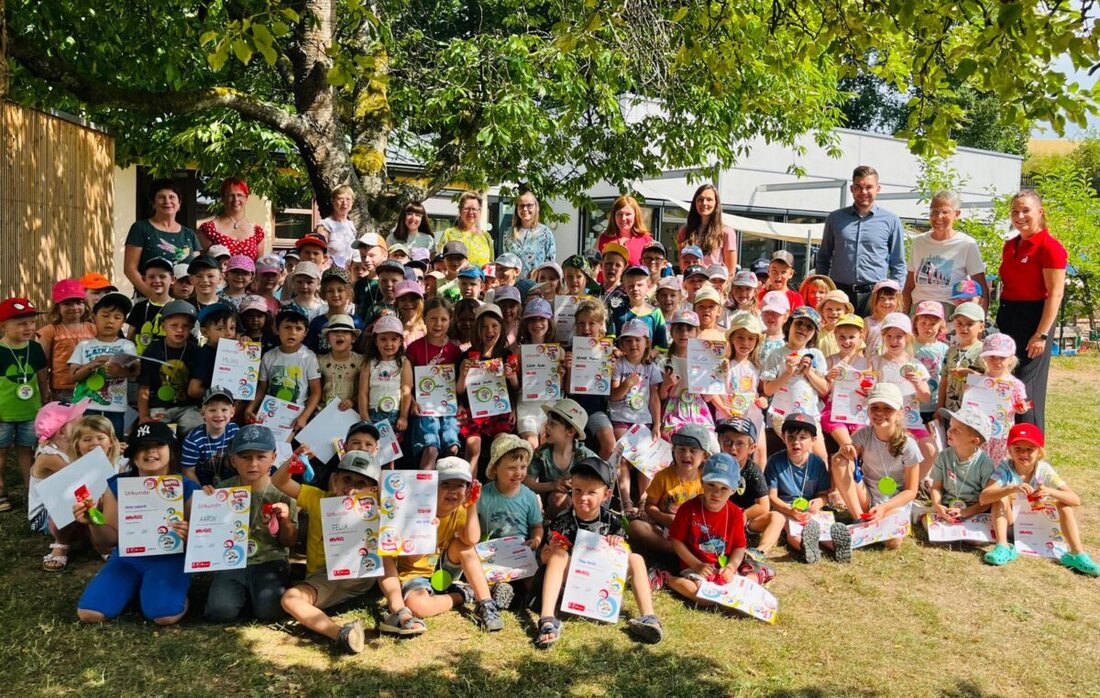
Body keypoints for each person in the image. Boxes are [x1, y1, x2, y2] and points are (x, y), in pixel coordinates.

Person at [534, 456, 664, 648]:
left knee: (636, 558)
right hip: (571, 582)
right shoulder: (562, 521)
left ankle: (649, 617)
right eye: (577, 490)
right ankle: (547, 619)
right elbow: (543, 558)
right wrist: (551, 551)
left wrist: (621, 547)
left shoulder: (613, 522)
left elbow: (625, 558)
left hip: (604, 581)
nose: (582, 497)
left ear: (606, 495)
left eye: (591, 492)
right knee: (559, 555)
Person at [75, 421, 196, 625]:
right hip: (127, 557)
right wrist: (93, 522)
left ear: (171, 450)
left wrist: (190, 534)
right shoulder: (117, 485)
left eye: (158, 445)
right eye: (142, 447)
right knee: (89, 613)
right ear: (132, 454)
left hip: (169, 557)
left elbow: (201, 541)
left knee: (165, 615)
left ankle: (169, 592)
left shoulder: (186, 487)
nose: (151, 452)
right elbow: (108, 541)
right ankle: (138, 587)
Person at [276, 448, 393, 652]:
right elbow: (279, 482)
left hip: (361, 575)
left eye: (361, 483)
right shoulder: (317, 498)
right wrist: (293, 461)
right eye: (347, 479)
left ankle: (398, 610)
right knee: (290, 599)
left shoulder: (377, 510)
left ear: (373, 489)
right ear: (334, 479)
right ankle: (343, 634)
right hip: (323, 578)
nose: (351, 488)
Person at [385, 456, 505, 632]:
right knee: (417, 605)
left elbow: (472, 539)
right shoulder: (416, 511)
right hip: (415, 574)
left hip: (444, 568)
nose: (453, 491)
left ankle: (486, 603)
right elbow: (412, 559)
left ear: (467, 489)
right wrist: (427, 533)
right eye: (445, 484)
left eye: (460, 485)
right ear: (432, 487)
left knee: (464, 546)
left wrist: (472, 505)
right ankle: (464, 594)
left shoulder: (460, 510)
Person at [204, 425, 298, 622]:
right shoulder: (223, 490)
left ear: (273, 457)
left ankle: (255, 595)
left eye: (261, 457)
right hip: (231, 560)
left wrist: (286, 522)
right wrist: (206, 502)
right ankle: (240, 595)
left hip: (270, 559)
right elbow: (211, 533)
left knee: (270, 611)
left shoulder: (284, 492)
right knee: (220, 611)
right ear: (233, 460)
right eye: (245, 457)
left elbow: (289, 542)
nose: (253, 464)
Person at [979, 424, 1099, 575]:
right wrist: (1011, 489)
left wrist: (1050, 491)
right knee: (1000, 498)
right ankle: (1002, 546)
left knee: (1065, 505)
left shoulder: (1044, 470)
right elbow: (984, 497)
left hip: (1040, 526)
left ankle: (1077, 553)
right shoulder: (1005, 468)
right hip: (1011, 524)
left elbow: (1075, 500)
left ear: (1039, 452)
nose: (1024, 453)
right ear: (1009, 450)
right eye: (1018, 448)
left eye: (1030, 449)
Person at [996, 190, 1066, 431]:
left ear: (1040, 212)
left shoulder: (1050, 247)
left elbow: (1055, 294)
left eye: (1026, 210)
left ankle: (1030, 443)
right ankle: (1010, 441)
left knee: (1027, 386)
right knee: (1009, 380)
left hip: (1035, 319)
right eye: (1015, 211)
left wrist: (1041, 334)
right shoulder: (1010, 245)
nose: (1019, 216)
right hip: (1009, 315)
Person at [832, 384, 921, 551]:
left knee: (893, 542)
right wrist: (846, 449)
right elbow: (847, 457)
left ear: (899, 413)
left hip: (893, 502)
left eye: (887, 408)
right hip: (867, 496)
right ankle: (859, 519)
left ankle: (874, 526)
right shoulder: (863, 435)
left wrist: (885, 508)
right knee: (838, 460)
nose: (880, 413)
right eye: (874, 407)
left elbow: (911, 491)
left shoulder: (909, 445)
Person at [815, 165, 907, 315]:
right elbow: (823, 257)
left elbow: (898, 263)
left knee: (873, 331)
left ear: (878, 189)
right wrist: (825, 287)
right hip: (840, 294)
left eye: (869, 187)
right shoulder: (835, 218)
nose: (863, 192)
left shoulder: (891, 221)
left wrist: (893, 293)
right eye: (858, 187)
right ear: (852, 189)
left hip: (875, 295)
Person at [665, 453, 748, 604]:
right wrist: (697, 565)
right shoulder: (688, 509)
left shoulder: (736, 513)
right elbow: (677, 541)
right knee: (705, 598)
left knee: (735, 596)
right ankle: (667, 578)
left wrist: (731, 567)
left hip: (722, 568)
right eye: (711, 485)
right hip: (694, 565)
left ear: (733, 490)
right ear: (702, 481)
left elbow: (739, 546)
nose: (716, 493)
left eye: (724, 488)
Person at [766, 413, 848, 563]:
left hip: (810, 510)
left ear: (813, 441)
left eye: (803, 438)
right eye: (791, 437)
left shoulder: (817, 463)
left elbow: (823, 494)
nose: (796, 443)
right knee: (793, 533)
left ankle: (838, 546)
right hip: (786, 508)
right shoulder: (774, 462)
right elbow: (772, 497)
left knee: (823, 529)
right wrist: (789, 510)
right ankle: (807, 548)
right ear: (783, 437)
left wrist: (819, 502)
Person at [477, 434, 544, 608]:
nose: (519, 473)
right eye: (512, 468)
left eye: (523, 467)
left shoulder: (528, 496)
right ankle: (500, 591)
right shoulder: (484, 495)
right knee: (483, 576)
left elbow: (537, 526)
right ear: (495, 468)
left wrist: (536, 540)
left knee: (531, 578)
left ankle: (532, 599)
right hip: (491, 550)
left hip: (520, 550)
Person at [627, 423, 708, 560]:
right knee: (636, 527)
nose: (686, 455)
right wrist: (665, 518)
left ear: (704, 456)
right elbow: (649, 506)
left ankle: (682, 552)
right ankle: (676, 552)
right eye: (681, 449)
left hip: (692, 530)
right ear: (674, 450)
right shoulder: (663, 476)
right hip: (664, 528)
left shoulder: (706, 481)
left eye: (693, 451)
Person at [902, 190, 988, 313]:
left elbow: (980, 286)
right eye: (934, 211)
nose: (939, 217)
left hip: (950, 309)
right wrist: (904, 316)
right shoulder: (918, 242)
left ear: (956, 214)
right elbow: (909, 285)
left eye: (945, 212)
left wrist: (979, 318)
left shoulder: (967, 244)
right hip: (920, 309)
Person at [30, 400, 91, 571]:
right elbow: (81, 477)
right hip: (43, 516)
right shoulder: (49, 456)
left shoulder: (71, 448)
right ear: (62, 431)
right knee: (72, 497)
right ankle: (61, 544)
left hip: (66, 504)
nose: (85, 423)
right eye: (79, 421)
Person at [0, 297, 48, 512]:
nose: (29, 327)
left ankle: (32, 490)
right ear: (4, 326)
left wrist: (45, 400)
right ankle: (0, 491)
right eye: (21, 323)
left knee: (26, 450)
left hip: (30, 412)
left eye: (31, 322)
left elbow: (42, 377)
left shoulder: (35, 349)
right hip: (2, 414)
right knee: (1, 451)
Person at [69, 293, 139, 437]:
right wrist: (91, 365)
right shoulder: (83, 345)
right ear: (94, 317)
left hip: (115, 408)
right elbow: (72, 376)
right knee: (86, 440)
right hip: (85, 407)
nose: (110, 321)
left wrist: (121, 371)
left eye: (117, 317)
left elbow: (136, 371)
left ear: (123, 322)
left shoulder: (127, 345)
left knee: (114, 443)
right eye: (105, 315)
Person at [717, 417, 785, 557]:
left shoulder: (753, 470)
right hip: (718, 518)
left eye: (739, 443)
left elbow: (764, 506)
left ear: (752, 448)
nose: (732, 447)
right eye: (727, 441)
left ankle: (758, 552)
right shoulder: (714, 466)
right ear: (720, 441)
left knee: (778, 517)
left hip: (745, 520)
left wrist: (743, 515)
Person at [247, 305, 322, 431]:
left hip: (295, 417)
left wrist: (304, 417)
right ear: (277, 329)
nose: (292, 332)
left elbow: (316, 392)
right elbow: (262, 389)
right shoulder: (268, 356)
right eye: (287, 327)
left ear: (305, 333)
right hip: (270, 414)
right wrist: (250, 408)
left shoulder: (309, 357)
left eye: (298, 328)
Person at [124, 179, 201, 297]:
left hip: (184, 302)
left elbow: (198, 271)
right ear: (153, 203)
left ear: (179, 203)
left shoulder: (189, 234)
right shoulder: (141, 228)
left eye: (172, 197)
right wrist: (154, 296)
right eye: (161, 197)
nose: (167, 201)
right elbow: (130, 269)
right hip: (150, 299)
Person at [926, 405, 995, 532]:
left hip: (974, 511)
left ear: (974, 441)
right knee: (928, 524)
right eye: (950, 426)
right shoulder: (944, 456)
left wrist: (965, 512)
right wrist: (938, 505)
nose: (949, 431)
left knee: (977, 538)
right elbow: (936, 487)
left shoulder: (985, 463)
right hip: (947, 508)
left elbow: (987, 500)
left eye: (956, 430)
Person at [526, 399, 596, 519]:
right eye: (547, 422)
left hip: (581, 503)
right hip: (553, 505)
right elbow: (527, 483)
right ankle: (555, 527)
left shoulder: (584, 455)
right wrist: (552, 485)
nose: (547, 427)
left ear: (571, 431)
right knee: (557, 498)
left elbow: (605, 474)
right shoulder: (541, 454)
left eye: (553, 424)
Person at [137, 300, 201, 431]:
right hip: (158, 406)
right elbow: (144, 387)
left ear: (191, 328)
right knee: (155, 429)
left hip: (187, 407)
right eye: (174, 325)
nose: (180, 330)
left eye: (185, 326)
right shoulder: (152, 350)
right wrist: (143, 415)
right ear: (163, 326)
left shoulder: (196, 351)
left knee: (197, 426)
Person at [181, 387, 241, 487]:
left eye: (224, 410)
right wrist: (201, 491)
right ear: (202, 413)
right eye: (212, 410)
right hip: (203, 486)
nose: (219, 414)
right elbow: (188, 471)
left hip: (230, 485)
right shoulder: (192, 440)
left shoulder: (235, 431)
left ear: (232, 412)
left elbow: (241, 460)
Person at [676, 183, 738, 275]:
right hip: (690, 280)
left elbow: (731, 272)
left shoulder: (727, 232)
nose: (704, 203)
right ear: (695, 203)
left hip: (714, 282)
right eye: (700, 199)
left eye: (709, 199)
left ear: (716, 203)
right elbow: (682, 264)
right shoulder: (684, 231)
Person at [197, 177, 266, 259]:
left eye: (240, 195)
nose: (236, 199)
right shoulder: (208, 229)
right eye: (230, 195)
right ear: (223, 198)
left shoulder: (257, 232)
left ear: (246, 198)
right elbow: (204, 263)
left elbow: (259, 265)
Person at [126, 258, 173, 356]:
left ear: (172, 280)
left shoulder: (177, 307)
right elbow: (130, 338)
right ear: (144, 279)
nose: (157, 280)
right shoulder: (139, 307)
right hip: (142, 361)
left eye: (162, 276)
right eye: (151, 277)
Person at [437, 191, 494, 267]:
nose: (470, 212)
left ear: (479, 212)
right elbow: (441, 262)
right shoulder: (449, 234)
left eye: (474, 209)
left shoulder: (486, 236)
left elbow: (491, 264)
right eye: (466, 208)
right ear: (460, 211)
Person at [503, 191, 556, 272]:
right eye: (521, 205)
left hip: (537, 280)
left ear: (536, 207)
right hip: (515, 280)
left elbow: (550, 264)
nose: (525, 209)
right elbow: (506, 262)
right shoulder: (508, 233)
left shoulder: (545, 233)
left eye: (529, 205)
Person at [596, 195, 654, 266]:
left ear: (635, 216)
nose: (623, 218)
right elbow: (594, 266)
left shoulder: (646, 240)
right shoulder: (603, 238)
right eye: (619, 214)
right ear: (614, 216)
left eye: (628, 214)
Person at [318, 185, 357, 267]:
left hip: (349, 272)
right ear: (333, 201)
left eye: (348, 199)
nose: (344, 203)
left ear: (352, 202)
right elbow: (318, 252)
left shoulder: (351, 226)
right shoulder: (325, 225)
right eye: (340, 199)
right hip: (331, 271)